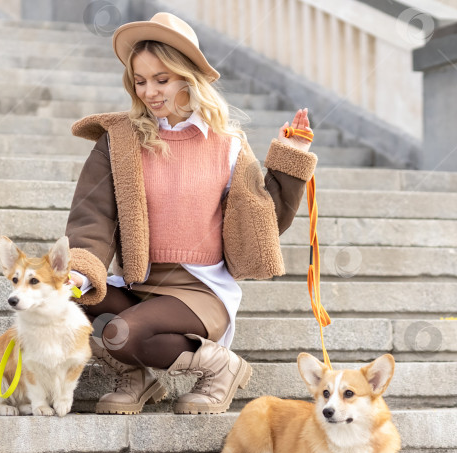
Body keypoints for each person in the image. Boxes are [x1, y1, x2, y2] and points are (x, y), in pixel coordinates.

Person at [64, 12, 317, 415]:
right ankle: (137, 377)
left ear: (188, 77)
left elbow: (263, 222)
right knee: (63, 300)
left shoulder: (228, 145)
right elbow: (92, 215)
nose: (149, 91)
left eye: (161, 79)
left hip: (200, 290)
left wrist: (291, 162)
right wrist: (79, 269)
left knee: (122, 332)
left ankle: (221, 368)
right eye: (140, 81)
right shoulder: (119, 141)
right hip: (138, 282)